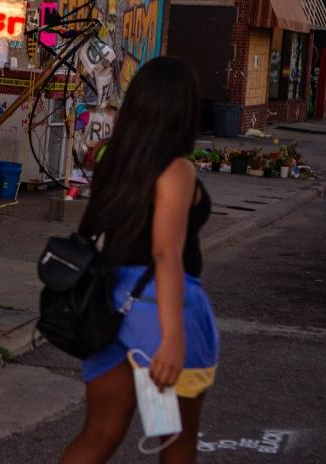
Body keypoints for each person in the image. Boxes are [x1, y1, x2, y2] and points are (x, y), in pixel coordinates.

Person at [61, 57, 219, 464]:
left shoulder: (114, 160)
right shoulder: (176, 170)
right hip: (157, 310)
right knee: (176, 444)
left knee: (99, 433)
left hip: (111, 304)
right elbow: (166, 253)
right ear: (183, 110)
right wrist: (173, 337)